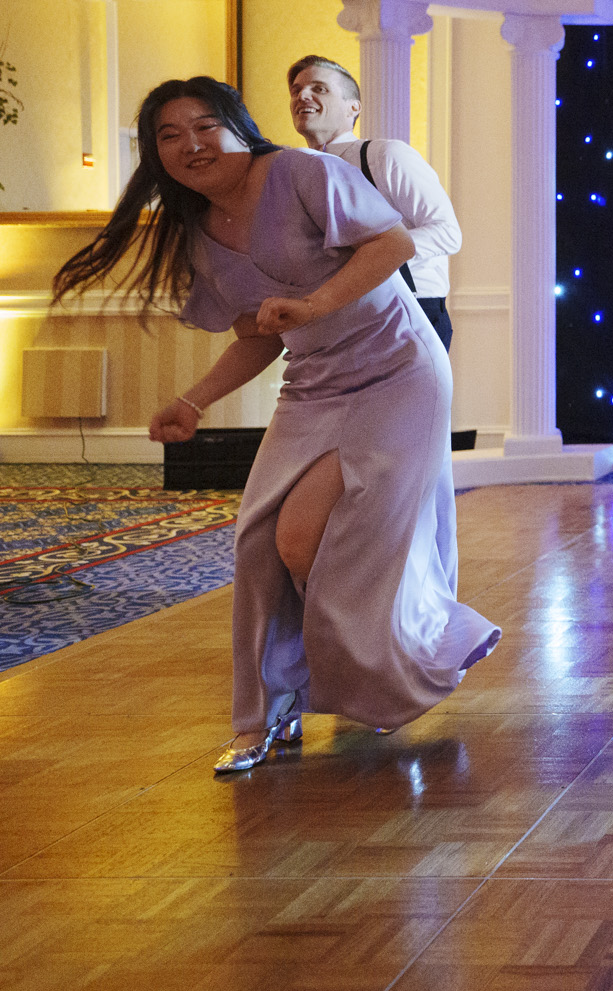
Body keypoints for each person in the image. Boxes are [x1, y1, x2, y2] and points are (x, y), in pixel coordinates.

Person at [52, 78, 498, 774]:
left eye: (205, 126)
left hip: (397, 373)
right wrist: (193, 402)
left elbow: (391, 243)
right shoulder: (196, 232)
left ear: (238, 125)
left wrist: (316, 303)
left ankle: (393, 661)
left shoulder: (300, 172)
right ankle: (265, 716)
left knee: (308, 538)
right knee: (260, 545)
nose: (190, 145)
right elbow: (260, 335)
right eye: (169, 135)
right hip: (312, 387)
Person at [287, 56, 463, 351]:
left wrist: (370, 256)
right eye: (296, 90)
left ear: (353, 106)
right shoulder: (293, 172)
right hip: (331, 321)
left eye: (319, 88)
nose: (303, 96)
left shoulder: (386, 156)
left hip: (407, 317)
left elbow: (446, 232)